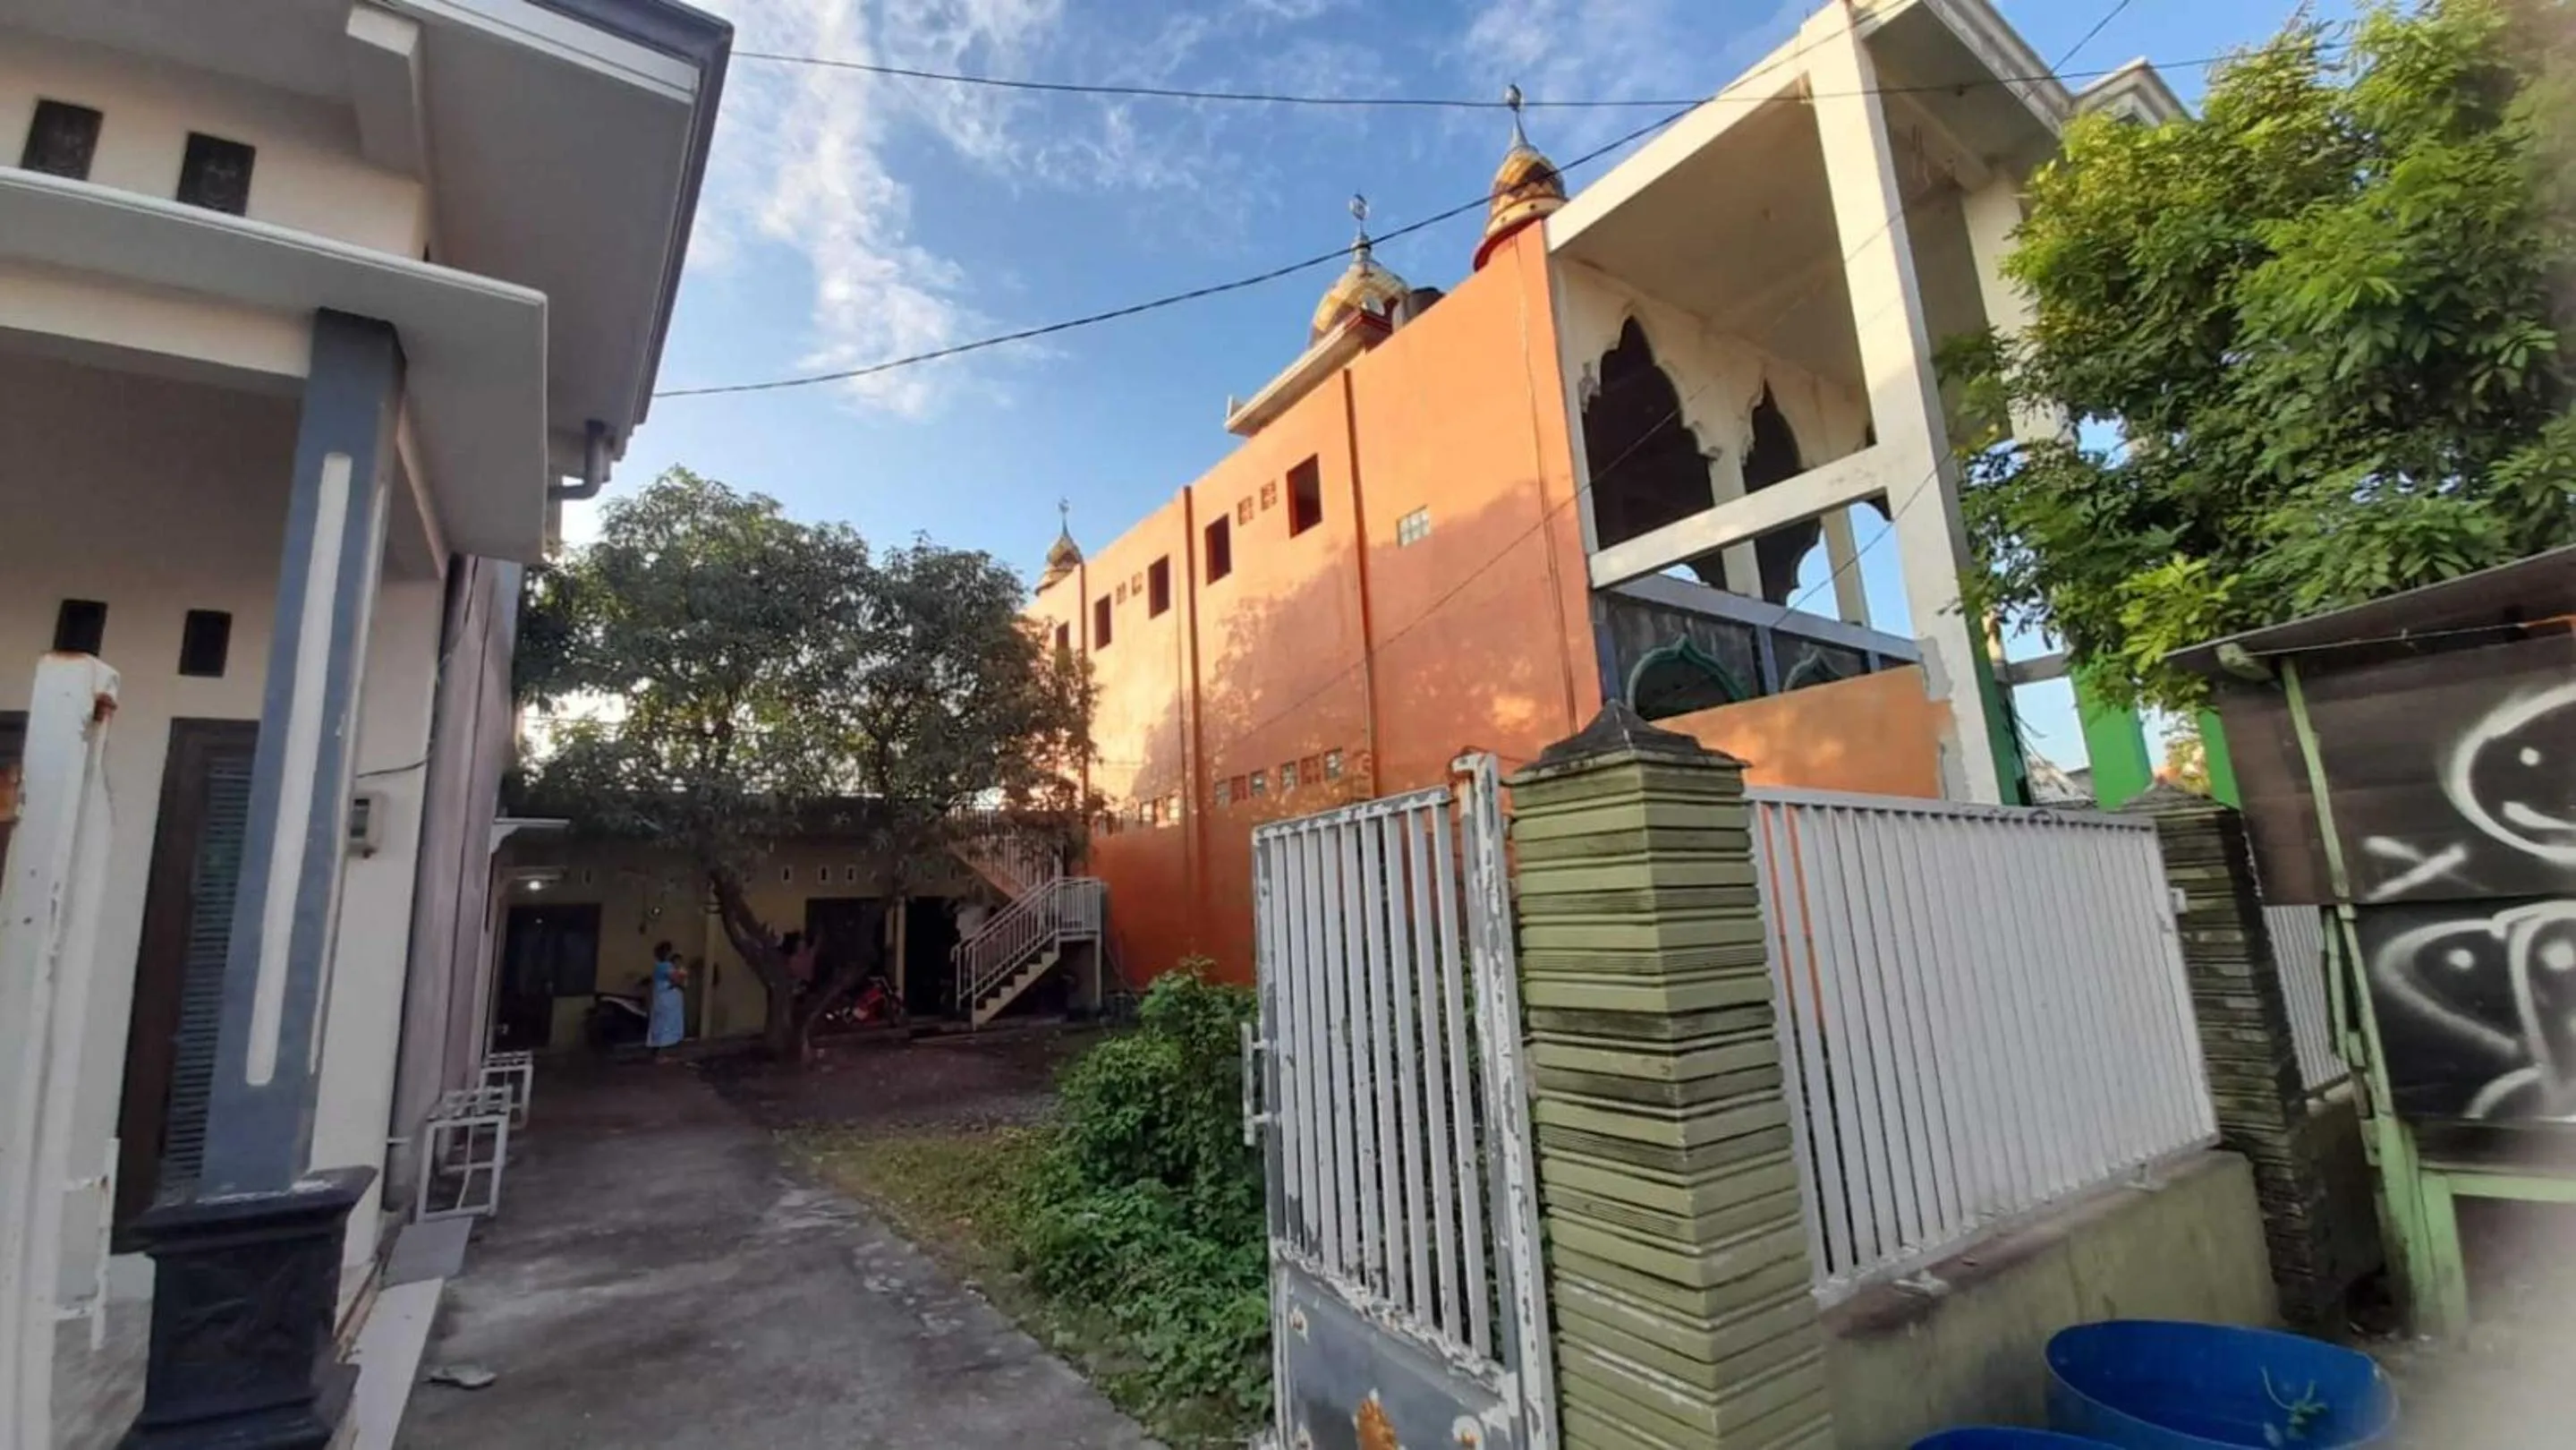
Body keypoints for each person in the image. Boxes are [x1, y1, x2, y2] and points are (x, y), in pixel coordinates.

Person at [646, 940, 688, 1062]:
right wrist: (680, 977)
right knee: (664, 1027)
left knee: (661, 1026)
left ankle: (658, 1052)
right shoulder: (665, 966)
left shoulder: (661, 966)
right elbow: (677, 979)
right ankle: (660, 1055)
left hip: (665, 1001)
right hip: (666, 1002)